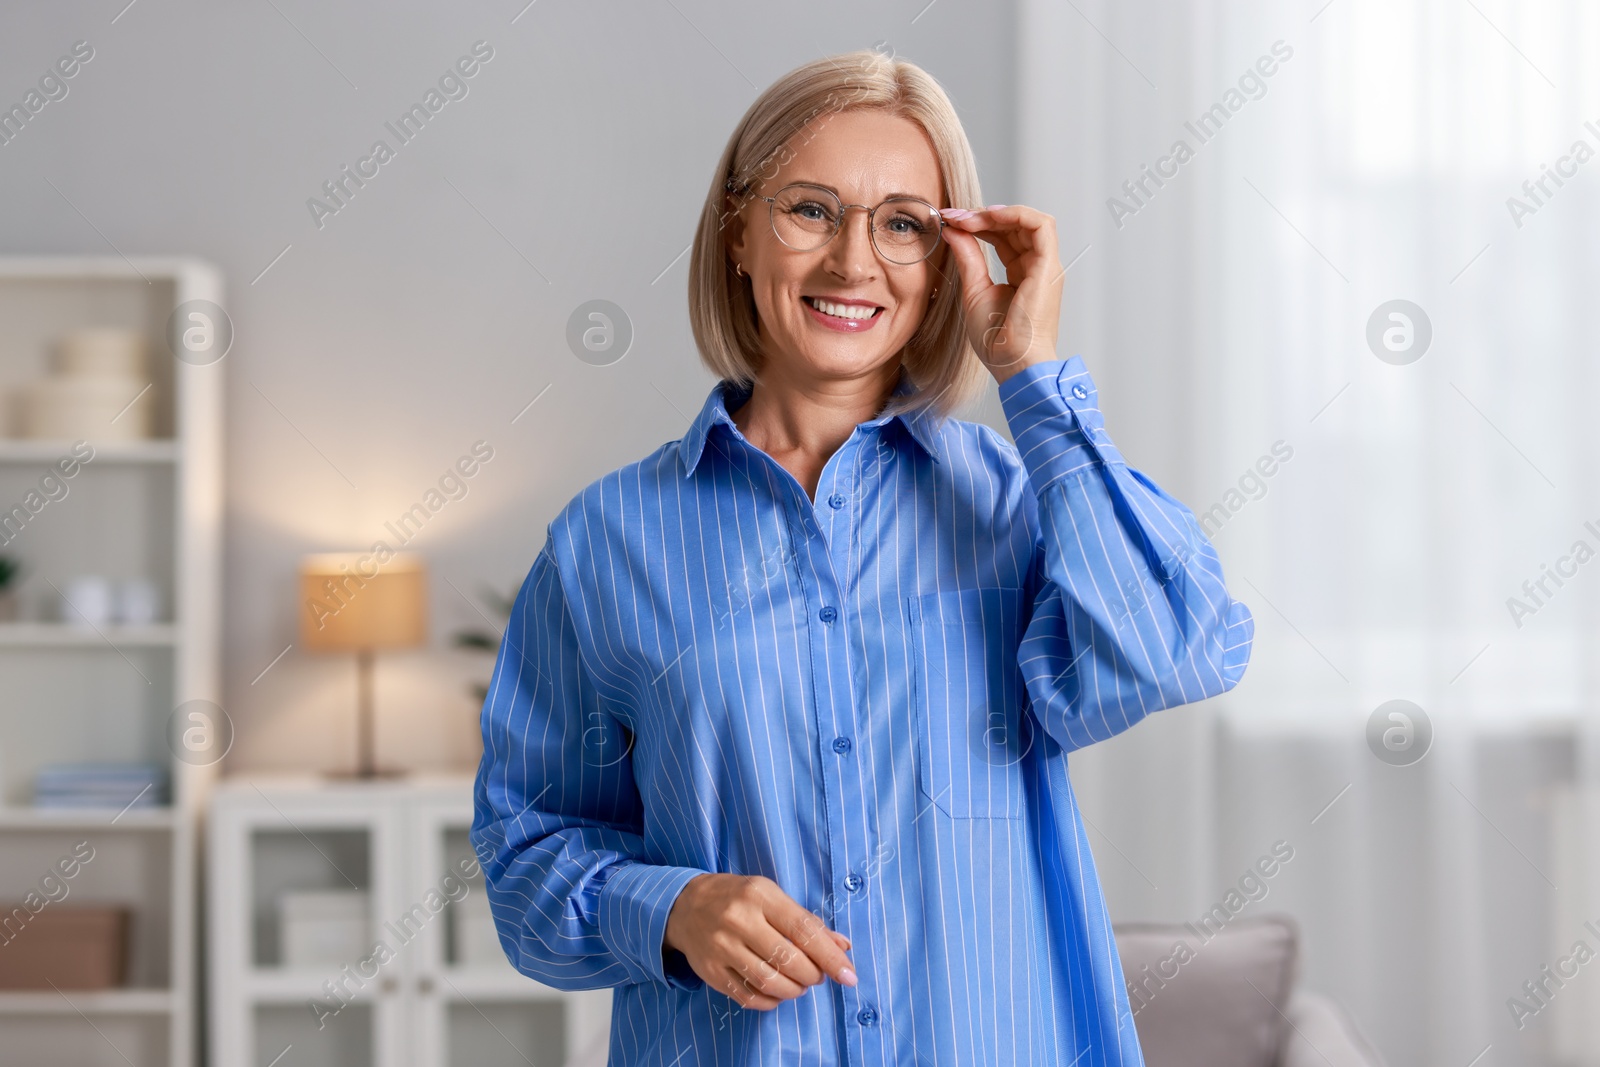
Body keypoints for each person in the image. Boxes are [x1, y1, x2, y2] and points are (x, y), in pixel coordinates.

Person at [472, 48, 1254, 1066]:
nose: (853, 261)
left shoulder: (1016, 505)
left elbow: (1179, 649)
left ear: (943, 267)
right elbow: (524, 860)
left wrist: (1030, 372)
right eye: (809, 210)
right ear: (737, 234)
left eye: (902, 225)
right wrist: (670, 905)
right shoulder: (605, 542)